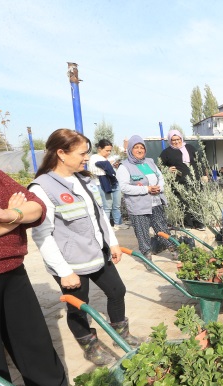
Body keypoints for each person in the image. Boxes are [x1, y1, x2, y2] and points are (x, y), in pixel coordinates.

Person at [0, 154, 78, 386]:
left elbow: (37, 206)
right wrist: (14, 219)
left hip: (12, 270)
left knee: (32, 337)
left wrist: (11, 214)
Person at [30, 128, 142, 366]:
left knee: (117, 291)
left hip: (98, 253)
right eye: (82, 153)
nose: (87, 157)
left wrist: (112, 242)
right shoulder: (42, 188)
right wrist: (64, 271)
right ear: (61, 153)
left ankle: (121, 334)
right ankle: (90, 346)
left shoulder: (84, 179)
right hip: (71, 263)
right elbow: (42, 235)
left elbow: (99, 215)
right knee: (78, 308)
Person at [117, 135, 173, 264]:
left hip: (156, 202)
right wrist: (146, 189)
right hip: (138, 206)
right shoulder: (124, 166)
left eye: (142, 147)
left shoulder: (149, 162)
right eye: (136, 147)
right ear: (130, 149)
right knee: (142, 233)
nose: (139, 150)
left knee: (162, 228)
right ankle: (147, 257)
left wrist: (159, 188)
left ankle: (173, 249)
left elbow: (160, 178)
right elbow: (124, 187)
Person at [159, 129, 206, 230]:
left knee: (196, 201)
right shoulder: (166, 152)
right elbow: (159, 166)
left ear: (181, 138)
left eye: (178, 139)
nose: (176, 142)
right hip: (179, 182)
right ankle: (187, 223)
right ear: (170, 140)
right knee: (183, 202)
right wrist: (167, 169)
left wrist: (204, 175)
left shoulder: (190, 148)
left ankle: (198, 223)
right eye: (173, 140)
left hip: (195, 181)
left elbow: (200, 161)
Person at [89, 138, 127, 230]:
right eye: (107, 150)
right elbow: (96, 171)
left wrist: (110, 166)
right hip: (103, 184)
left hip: (114, 183)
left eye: (110, 150)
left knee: (116, 205)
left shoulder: (109, 158)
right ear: (99, 148)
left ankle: (118, 223)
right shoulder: (94, 158)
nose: (109, 152)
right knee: (107, 207)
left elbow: (111, 170)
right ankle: (106, 227)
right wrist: (108, 166)